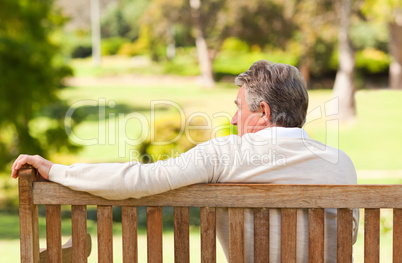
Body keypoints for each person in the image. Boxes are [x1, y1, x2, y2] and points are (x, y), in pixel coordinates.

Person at [12, 60, 359, 262]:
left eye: (239, 107)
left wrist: (57, 170)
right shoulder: (341, 164)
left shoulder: (227, 154)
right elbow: (351, 237)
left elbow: (139, 180)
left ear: (263, 112)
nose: (235, 119)